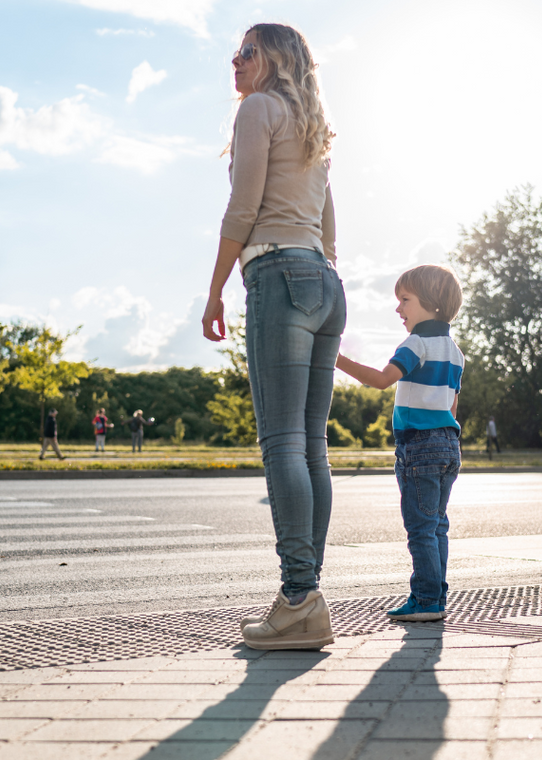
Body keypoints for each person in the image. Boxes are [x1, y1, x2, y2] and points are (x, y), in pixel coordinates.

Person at [201, 23, 344, 651]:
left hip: (279, 275)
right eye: (235, 52)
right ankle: (305, 594)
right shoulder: (313, 128)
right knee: (311, 447)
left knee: (283, 442)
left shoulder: (259, 109)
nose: (236, 61)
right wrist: (320, 278)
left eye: (247, 51)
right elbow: (329, 225)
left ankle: (298, 599)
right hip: (322, 282)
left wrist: (214, 291)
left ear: (276, 59)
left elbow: (243, 205)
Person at [337, 265, 464, 622]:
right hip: (448, 444)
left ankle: (425, 601)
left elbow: (381, 380)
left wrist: (336, 358)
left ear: (432, 304)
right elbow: (453, 405)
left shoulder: (416, 344)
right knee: (437, 525)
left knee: (420, 528)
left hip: (419, 446)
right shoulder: (455, 351)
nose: (398, 309)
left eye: (404, 300)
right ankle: (435, 596)